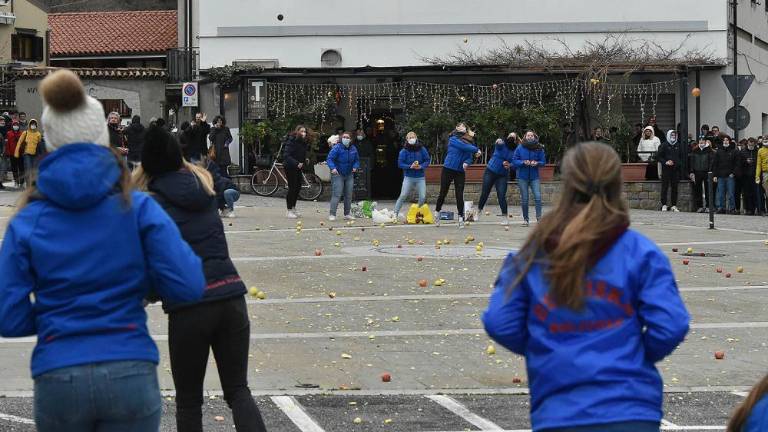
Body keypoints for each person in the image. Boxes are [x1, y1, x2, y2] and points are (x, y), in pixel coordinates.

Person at [0, 69, 205, 432]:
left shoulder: (27, 220)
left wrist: (55, 316)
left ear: (49, 141)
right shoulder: (139, 209)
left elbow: (8, 316)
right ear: (103, 138)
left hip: (58, 371)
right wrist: (142, 289)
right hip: (129, 365)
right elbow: (188, 285)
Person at [483, 141, 689, 432]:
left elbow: (499, 321)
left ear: (567, 185)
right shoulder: (641, 252)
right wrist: (633, 355)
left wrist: (547, 348)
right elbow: (671, 325)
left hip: (560, 411)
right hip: (631, 408)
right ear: (617, 185)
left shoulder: (535, 252)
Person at [132, 126, 266, 432]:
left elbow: (155, 266)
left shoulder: (150, 204)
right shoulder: (203, 187)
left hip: (189, 308)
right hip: (231, 296)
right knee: (238, 391)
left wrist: (141, 296)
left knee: (189, 401)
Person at [435, 122, 481, 229]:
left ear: (466, 129)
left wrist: (467, 162)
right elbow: (463, 147)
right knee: (443, 192)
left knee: (459, 194)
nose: (461, 127)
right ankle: (437, 212)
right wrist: (476, 150)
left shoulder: (469, 142)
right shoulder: (453, 139)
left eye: (464, 126)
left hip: (460, 171)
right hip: (448, 169)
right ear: (456, 128)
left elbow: (469, 156)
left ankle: (461, 218)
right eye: (459, 126)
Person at [477, 132, 517, 224]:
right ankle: (479, 211)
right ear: (507, 137)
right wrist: (498, 141)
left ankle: (505, 217)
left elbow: (515, 164)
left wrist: (509, 165)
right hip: (490, 171)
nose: (511, 138)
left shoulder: (515, 151)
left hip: (502, 175)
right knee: (485, 193)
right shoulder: (502, 145)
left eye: (513, 137)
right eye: (510, 136)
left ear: (515, 140)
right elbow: (498, 144)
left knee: (501, 195)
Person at [394, 131, 431, 219]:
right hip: (408, 177)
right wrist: (410, 166)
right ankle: (395, 213)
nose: (412, 139)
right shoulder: (404, 151)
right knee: (403, 195)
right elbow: (400, 163)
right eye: (410, 137)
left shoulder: (422, 149)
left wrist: (421, 166)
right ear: (407, 139)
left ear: (416, 138)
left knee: (422, 197)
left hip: (420, 177)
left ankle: (416, 212)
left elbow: (427, 160)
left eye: (413, 137)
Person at [513, 130, 546, 227]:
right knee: (525, 199)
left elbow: (543, 162)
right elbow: (514, 160)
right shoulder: (520, 147)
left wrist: (537, 163)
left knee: (538, 197)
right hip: (522, 177)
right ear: (525, 137)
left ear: (534, 137)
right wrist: (523, 162)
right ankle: (525, 220)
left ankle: (539, 218)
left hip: (534, 177)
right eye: (528, 135)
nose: (530, 137)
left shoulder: (539, 148)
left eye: (532, 135)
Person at [326, 132, 360, 221]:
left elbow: (357, 160)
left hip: (349, 174)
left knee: (348, 195)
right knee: (337, 194)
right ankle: (332, 214)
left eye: (347, 137)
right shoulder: (337, 147)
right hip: (338, 173)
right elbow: (330, 158)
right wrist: (333, 168)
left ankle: (347, 214)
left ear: (351, 139)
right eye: (344, 137)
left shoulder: (353, 149)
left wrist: (355, 167)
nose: (345, 138)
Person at [283, 125, 309, 219]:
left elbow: (300, 153)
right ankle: (289, 210)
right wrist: (296, 163)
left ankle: (293, 208)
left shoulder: (303, 142)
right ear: (297, 131)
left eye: (305, 131)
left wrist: (305, 159)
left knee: (298, 187)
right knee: (292, 187)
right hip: (290, 166)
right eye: (302, 131)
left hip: (298, 167)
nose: (303, 133)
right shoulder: (291, 140)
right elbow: (287, 155)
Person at [657, 129, 681, 212]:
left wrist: (677, 163)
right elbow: (658, 157)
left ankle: (674, 205)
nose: (673, 137)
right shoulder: (663, 145)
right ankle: (664, 204)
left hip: (675, 170)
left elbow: (681, 157)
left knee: (675, 188)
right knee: (665, 187)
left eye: (674, 135)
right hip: (666, 170)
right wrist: (666, 162)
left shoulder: (678, 145)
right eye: (672, 135)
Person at [712, 136, 737, 214]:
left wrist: (733, 173)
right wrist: (715, 175)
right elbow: (715, 164)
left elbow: (737, 164)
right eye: (724, 140)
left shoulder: (734, 151)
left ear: (729, 142)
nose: (725, 141)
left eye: (727, 140)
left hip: (730, 175)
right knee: (721, 194)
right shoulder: (719, 151)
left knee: (731, 193)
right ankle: (721, 207)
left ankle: (732, 208)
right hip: (720, 175)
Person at [689, 138, 714, 213]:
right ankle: (699, 206)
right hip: (697, 172)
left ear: (705, 142)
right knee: (698, 190)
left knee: (708, 190)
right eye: (700, 140)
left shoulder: (709, 150)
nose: (701, 142)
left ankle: (708, 206)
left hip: (707, 172)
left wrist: (710, 171)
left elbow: (711, 162)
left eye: (703, 140)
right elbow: (692, 162)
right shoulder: (695, 150)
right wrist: (692, 172)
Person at [14, 119, 42, 185]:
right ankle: (28, 184)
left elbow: (40, 145)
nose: (33, 125)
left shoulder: (38, 134)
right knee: (28, 168)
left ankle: (34, 184)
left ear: (36, 125)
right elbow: (19, 142)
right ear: (29, 125)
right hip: (27, 154)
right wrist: (16, 152)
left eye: (34, 124)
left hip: (35, 154)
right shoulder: (25, 133)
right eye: (32, 124)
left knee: (34, 169)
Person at [735, 138, 757, 215]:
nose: (751, 145)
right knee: (746, 193)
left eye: (752, 144)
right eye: (749, 144)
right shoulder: (742, 152)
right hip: (745, 175)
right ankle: (748, 209)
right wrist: (746, 161)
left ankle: (753, 209)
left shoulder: (757, 151)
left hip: (754, 175)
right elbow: (739, 163)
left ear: (754, 144)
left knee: (754, 193)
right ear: (747, 143)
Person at [5, 120, 23, 188]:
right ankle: (16, 181)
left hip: (20, 153)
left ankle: (21, 182)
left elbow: (23, 144)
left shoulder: (22, 133)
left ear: (19, 126)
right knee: (14, 168)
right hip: (12, 154)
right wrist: (8, 152)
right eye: (14, 125)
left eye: (17, 125)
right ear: (12, 126)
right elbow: (7, 144)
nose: (16, 126)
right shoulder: (9, 133)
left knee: (21, 168)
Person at [758, 138, 768, 216]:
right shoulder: (760, 150)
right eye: (764, 139)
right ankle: (764, 210)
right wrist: (757, 176)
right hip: (765, 173)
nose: (765, 140)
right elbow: (758, 164)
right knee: (766, 193)